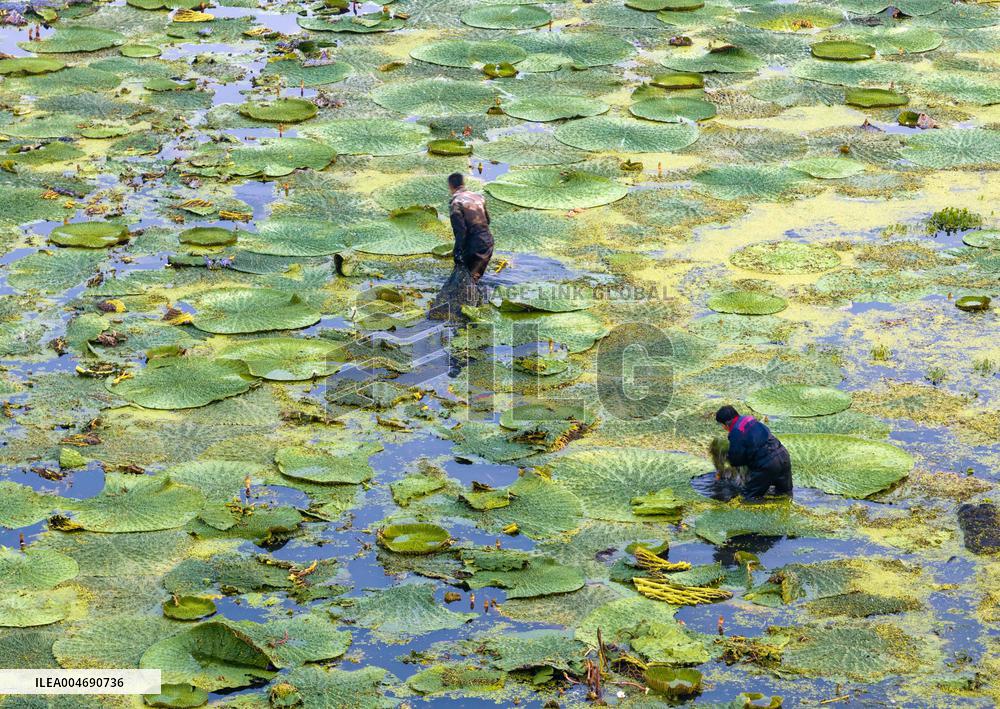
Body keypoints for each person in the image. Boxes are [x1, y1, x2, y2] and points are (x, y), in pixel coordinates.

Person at [715, 405, 792, 501]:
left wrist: (726, 460)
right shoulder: (750, 420)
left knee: (749, 498)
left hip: (768, 465)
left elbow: (736, 459)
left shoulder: (736, 431)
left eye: (722, 425)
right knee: (785, 494)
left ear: (726, 424)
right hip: (783, 456)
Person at [447, 172, 493, 282]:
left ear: (450, 186)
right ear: (463, 183)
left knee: (467, 280)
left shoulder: (456, 203)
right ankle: (477, 297)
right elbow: (488, 221)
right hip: (488, 242)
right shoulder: (479, 197)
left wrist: (457, 252)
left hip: (474, 245)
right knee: (474, 278)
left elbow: (460, 231)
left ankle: (468, 298)